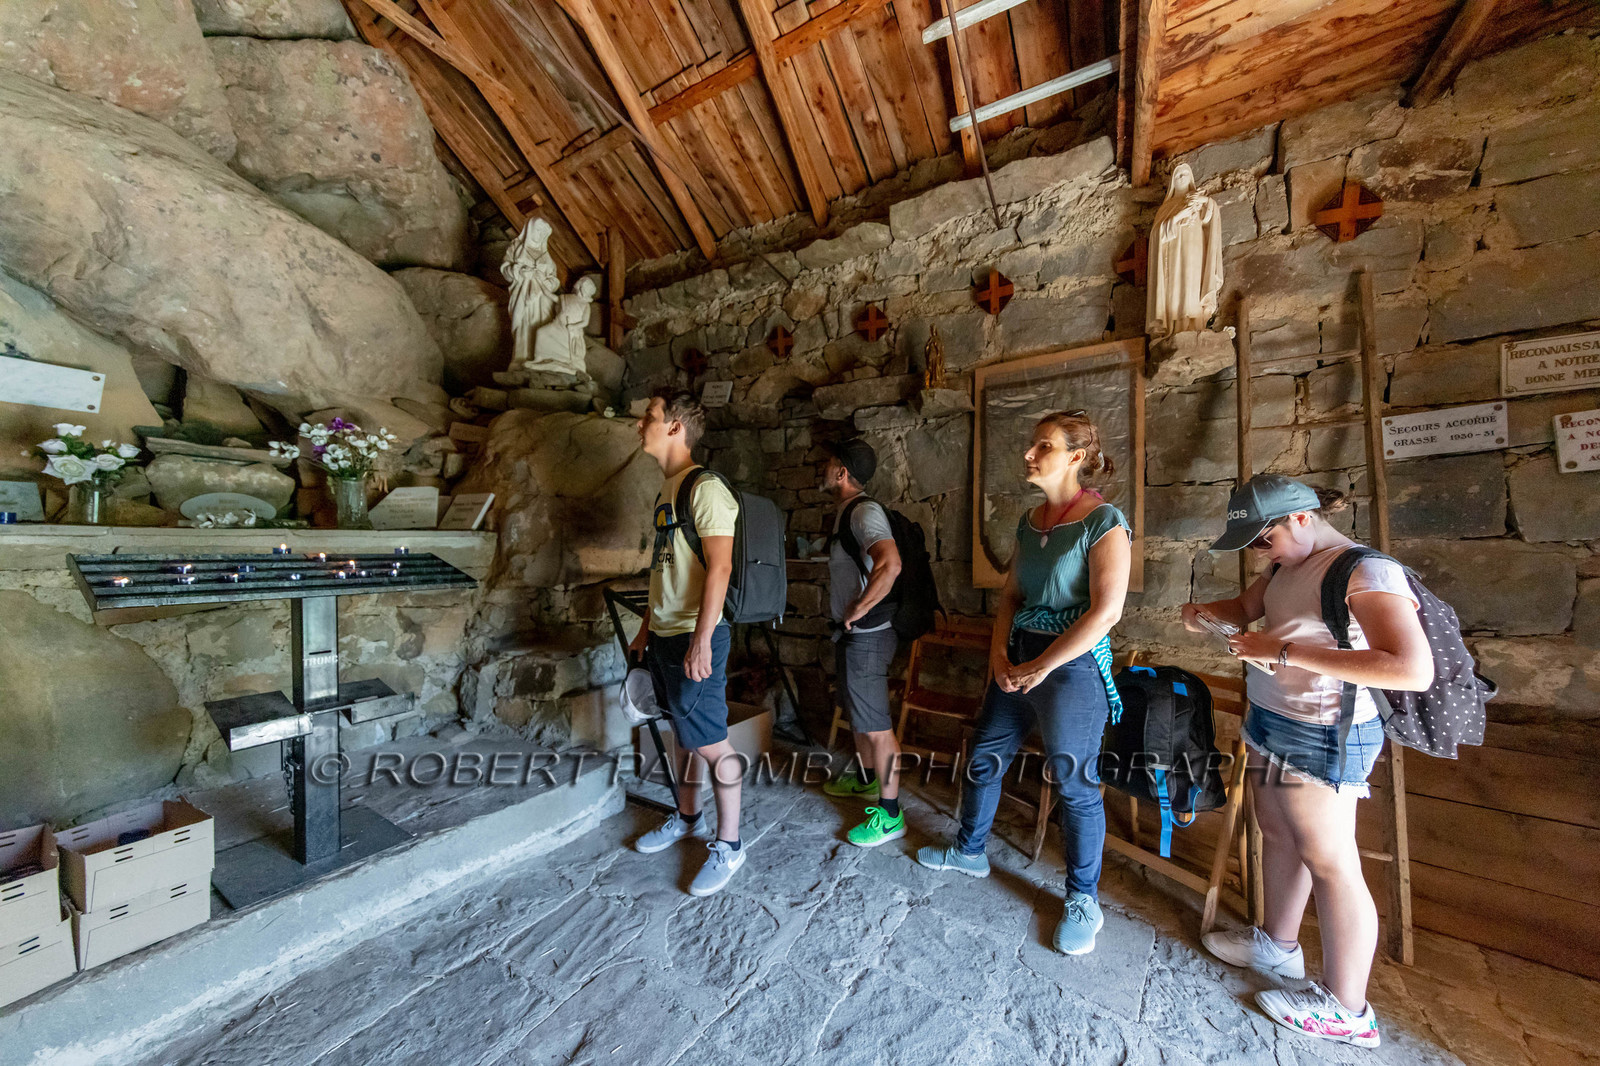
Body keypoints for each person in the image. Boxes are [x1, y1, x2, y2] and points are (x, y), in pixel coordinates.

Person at [1183, 474, 1433, 1049]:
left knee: (1331, 860)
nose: (1257, 552)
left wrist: (1283, 650)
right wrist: (1206, 613)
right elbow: (1249, 608)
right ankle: (1279, 944)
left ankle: (1349, 1008)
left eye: (1261, 539)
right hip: (1275, 717)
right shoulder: (1282, 565)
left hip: (1327, 730)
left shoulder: (1365, 572)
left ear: (1299, 518)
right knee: (1275, 830)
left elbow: (1410, 668)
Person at [916, 410, 1131, 956]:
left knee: (1074, 782)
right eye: (1032, 446)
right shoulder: (1029, 522)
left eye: (1043, 447)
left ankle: (1084, 898)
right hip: (1018, 655)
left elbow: (1105, 613)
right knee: (986, 754)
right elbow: (1011, 597)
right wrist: (998, 656)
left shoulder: (1104, 522)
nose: (1030, 456)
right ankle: (969, 850)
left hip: (1073, 666)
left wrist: (1044, 666)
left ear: (1076, 457)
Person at [628, 388, 747, 896]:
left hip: (699, 636)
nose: (640, 424)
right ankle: (687, 816)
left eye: (649, 417)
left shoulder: (706, 487)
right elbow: (669, 569)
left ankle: (731, 845)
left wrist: (701, 640)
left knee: (712, 744)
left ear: (675, 426)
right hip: (667, 634)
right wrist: (646, 628)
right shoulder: (668, 489)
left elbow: (719, 566)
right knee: (682, 733)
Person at [815, 439, 905, 847]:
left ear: (842, 472)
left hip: (867, 635)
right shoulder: (847, 513)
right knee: (859, 714)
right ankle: (868, 780)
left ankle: (890, 814)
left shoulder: (865, 512)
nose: (824, 468)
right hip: (852, 633)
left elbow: (891, 562)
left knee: (876, 724)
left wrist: (859, 609)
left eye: (830, 462)